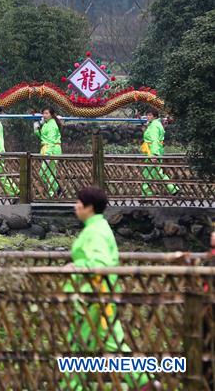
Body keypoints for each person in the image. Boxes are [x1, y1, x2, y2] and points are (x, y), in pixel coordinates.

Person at [64, 186, 148, 389]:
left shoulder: (96, 231)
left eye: (78, 202)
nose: (75, 206)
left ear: (89, 207)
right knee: (100, 344)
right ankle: (143, 382)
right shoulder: (97, 228)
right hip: (95, 296)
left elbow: (99, 263)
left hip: (93, 298)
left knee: (85, 345)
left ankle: (144, 383)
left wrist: (77, 266)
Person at [140, 108, 179, 196]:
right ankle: (173, 189)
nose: (148, 117)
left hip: (153, 151)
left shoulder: (154, 126)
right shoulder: (155, 124)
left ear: (155, 116)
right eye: (147, 115)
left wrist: (154, 154)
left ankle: (146, 195)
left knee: (147, 173)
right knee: (157, 173)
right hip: (155, 150)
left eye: (150, 115)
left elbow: (154, 140)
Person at [34, 107, 62, 197]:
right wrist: (36, 128)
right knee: (49, 172)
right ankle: (55, 190)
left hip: (52, 149)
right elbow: (43, 137)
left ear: (52, 114)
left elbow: (51, 141)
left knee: (45, 172)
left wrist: (48, 154)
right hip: (46, 148)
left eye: (47, 113)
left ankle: (53, 191)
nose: (44, 115)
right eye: (43, 113)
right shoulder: (47, 124)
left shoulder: (52, 125)